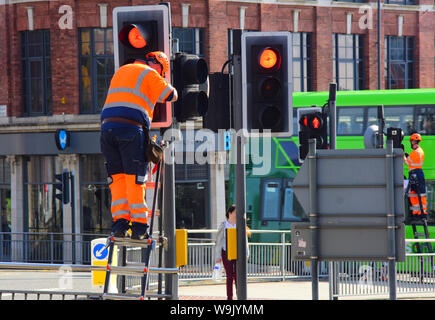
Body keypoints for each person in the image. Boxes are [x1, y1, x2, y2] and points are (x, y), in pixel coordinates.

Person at [100, 51, 177, 240]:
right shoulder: (150, 73)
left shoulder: (122, 71)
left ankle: (119, 224)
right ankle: (140, 227)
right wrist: (163, 82)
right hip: (130, 129)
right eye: (162, 72)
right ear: (158, 66)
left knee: (117, 179)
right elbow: (171, 95)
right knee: (135, 179)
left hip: (107, 129)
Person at [215, 204, 250, 300]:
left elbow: (245, 240)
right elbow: (218, 242)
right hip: (226, 252)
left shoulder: (240, 225)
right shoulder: (223, 225)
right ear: (230, 213)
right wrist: (218, 256)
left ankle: (240, 296)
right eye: (235, 212)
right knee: (229, 276)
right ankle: (229, 297)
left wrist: (247, 253)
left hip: (237, 253)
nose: (237, 215)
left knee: (238, 276)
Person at [404, 133, 427, 220]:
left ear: (414, 141)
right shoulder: (420, 151)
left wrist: (402, 155)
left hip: (415, 173)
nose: (411, 143)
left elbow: (407, 162)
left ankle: (420, 213)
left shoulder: (415, 152)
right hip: (416, 173)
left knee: (418, 193)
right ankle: (418, 213)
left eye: (411, 141)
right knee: (415, 193)